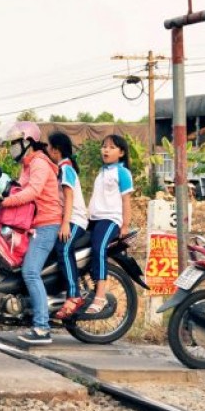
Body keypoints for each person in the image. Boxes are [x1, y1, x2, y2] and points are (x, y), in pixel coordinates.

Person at [0, 121, 61, 344]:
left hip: (46, 224)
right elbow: (17, 186)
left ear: (27, 142)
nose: (11, 148)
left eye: (14, 143)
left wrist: (6, 201)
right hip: (33, 225)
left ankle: (42, 328)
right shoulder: (27, 164)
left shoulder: (39, 163)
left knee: (30, 272)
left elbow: (31, 192)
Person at [86, 134, 133, 314]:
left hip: (110, 219)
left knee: (99, 249)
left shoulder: (122, 172)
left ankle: (100, 295)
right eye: (104, 146)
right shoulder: (102, 171)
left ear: (121, 153)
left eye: (112, 147)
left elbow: (126, 201)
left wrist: (125, 226)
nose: (106, 150)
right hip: (94, 220)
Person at [45, 132, 89, 319]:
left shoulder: (66, 169)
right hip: (68, 218)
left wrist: (65, 225)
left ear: (56, 150)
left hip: (76, 219)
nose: (47, 150)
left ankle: (74, 294)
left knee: (64, 249)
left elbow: (69, 197)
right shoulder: (60, 169)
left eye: (49, 147)